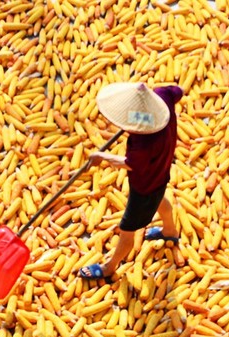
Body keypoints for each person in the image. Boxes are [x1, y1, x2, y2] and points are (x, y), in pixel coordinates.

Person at [78, 82, 183, 281]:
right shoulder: (163, 95)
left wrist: (102, 157)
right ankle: (170, 231)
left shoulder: (144, 144)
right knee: (159, 199)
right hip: (162, 171)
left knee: (127, 230)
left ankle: (109, 267)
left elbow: (130, 164)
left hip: (144, 185)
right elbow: (179, 91)